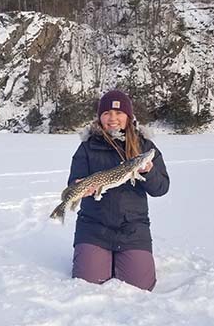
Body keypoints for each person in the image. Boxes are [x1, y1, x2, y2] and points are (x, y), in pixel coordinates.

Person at [68, 90, 170, 291]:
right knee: (88, 283)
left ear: (128, 116)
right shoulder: (87, 148)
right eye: (106, 113)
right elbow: (73, 182)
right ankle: (96, 256)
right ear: (100, 118)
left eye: (118, 113)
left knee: (140, 286)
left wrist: (148, 172)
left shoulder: (145, 147)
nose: (112, 118)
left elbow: (161, 188)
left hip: (133, 228)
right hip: (93, 227)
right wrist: (80, 187)